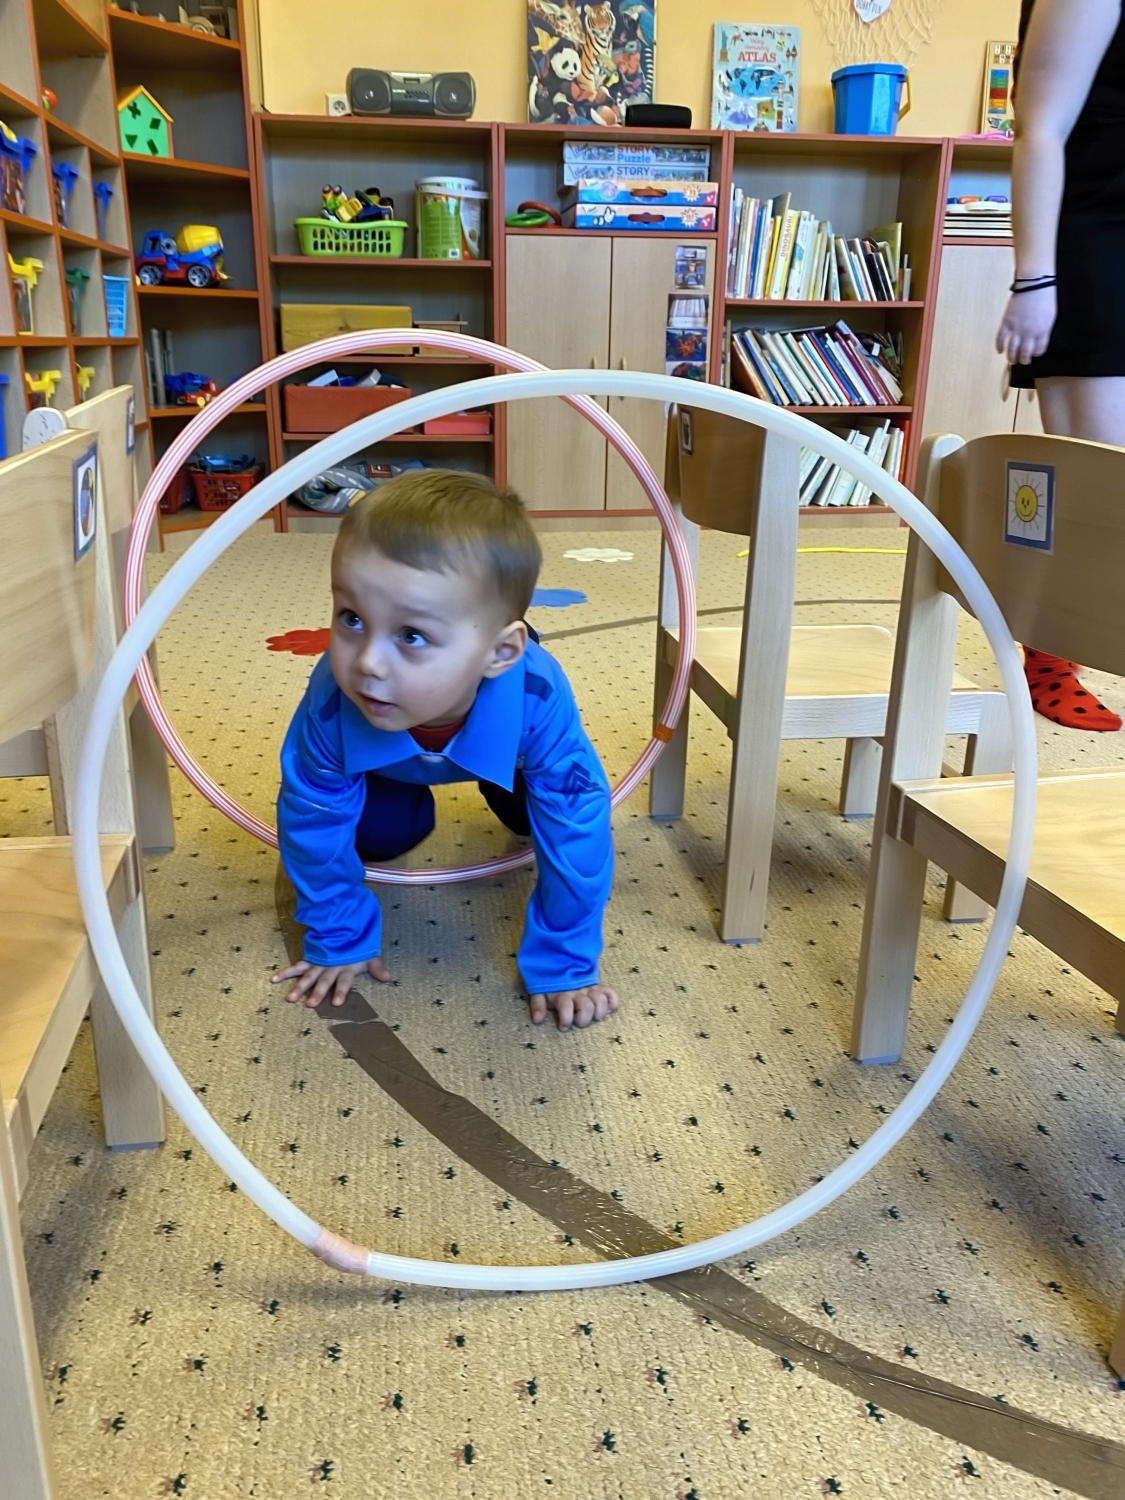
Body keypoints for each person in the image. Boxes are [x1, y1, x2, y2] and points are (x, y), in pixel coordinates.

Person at [270, 469, 619, 1033]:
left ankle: (495, 780)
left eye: (411, 635)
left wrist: (567, 966)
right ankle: (406, 797)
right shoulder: (335, 697)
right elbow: (311, 815)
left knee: (539, 820)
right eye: (351, 619)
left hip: (510, 761)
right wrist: (337, 936)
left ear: (501, 651)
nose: (367, 663)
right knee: (380, 836)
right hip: (390, 766)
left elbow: (579, 826)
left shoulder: (536, 695)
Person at [996, 0, 1125, 731]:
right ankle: (1050, 659)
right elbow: (1038, 125)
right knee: (1097, 486)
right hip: (1098, 247)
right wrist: (1034, 282)